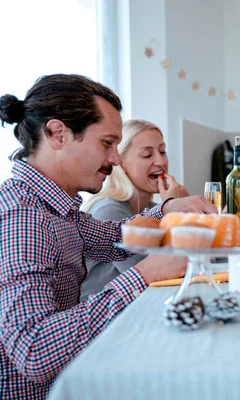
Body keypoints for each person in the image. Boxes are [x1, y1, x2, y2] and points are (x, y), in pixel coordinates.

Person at [0, 74, 216, 399]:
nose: (115, 159)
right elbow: (35, 350)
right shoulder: (24, 216)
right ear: (57, 134)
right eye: (107, 143)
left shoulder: (59, 208)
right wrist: (144, 275)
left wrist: (168, 208)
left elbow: (114, 236)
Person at [80, 119, 189, 300]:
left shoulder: (153, 210)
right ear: (120, 163)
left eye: (162, 151)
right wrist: (177, 214)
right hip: (106, 321)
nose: (161, 161)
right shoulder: (108, 210)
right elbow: (163, 270)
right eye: (147, 155)